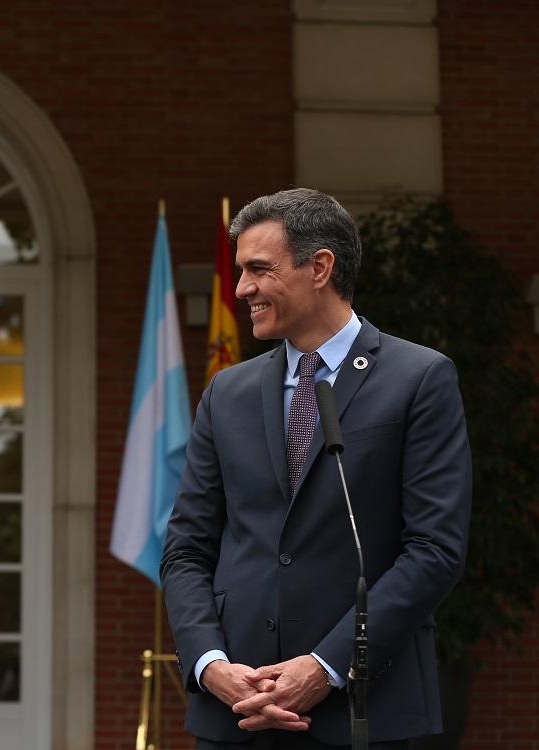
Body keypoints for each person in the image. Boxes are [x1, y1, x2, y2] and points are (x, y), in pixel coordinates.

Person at [160, 188, 471, 749]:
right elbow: (186, 548)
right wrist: (210, 665)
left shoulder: (419, 379)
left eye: (259, 269)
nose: (241, 289)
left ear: (320, 266)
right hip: (238, 713)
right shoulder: (225, 392)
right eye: (240, 271)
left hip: (364, 713)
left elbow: (434, 550)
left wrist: (328, 665)